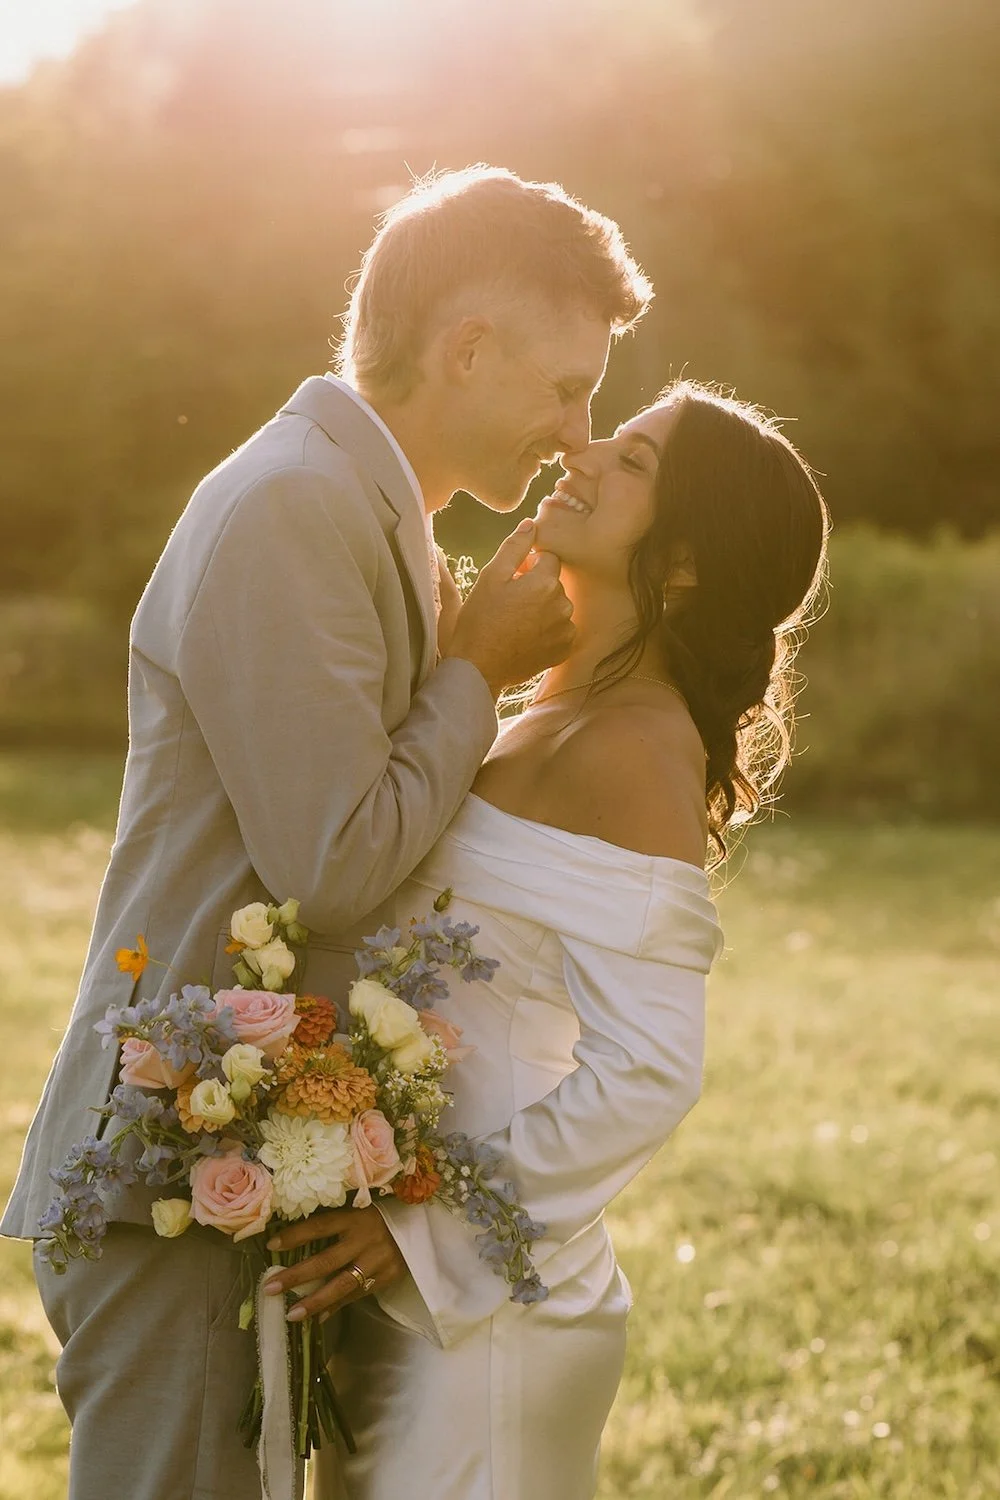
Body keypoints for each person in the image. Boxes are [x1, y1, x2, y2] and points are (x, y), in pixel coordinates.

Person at [1, 166, 652, 1500]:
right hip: (175, 1176)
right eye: (566, 387)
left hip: (256, 1162)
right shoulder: (295, 503)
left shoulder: (372, 510)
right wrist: (475, 667)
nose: (576, 434)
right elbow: (335, 863)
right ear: (467, 349)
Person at [267, 380, 830, 1500]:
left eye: (634, 462)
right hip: (390, 1268)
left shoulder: (636, 749)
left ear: (683, 563)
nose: (585, 453)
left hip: (486, 1317)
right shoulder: (541, 714)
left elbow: (649, 1071)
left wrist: (427, 1230)